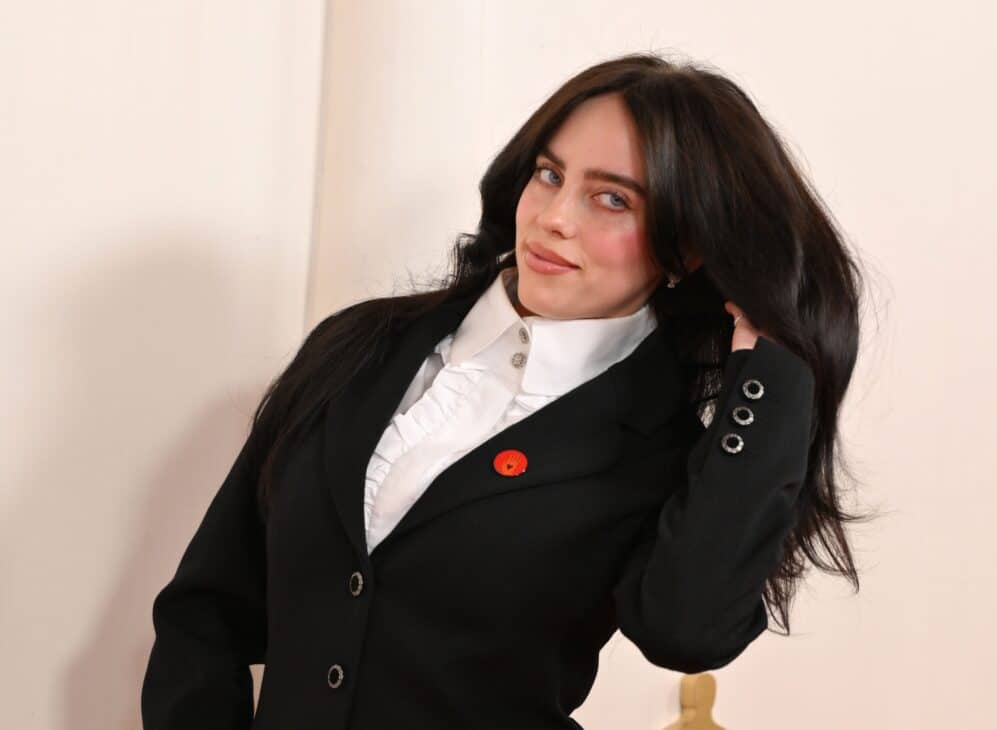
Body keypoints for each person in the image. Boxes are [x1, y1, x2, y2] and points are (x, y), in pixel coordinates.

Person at [141, 51, 868, 729]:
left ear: (684, 246)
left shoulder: (662, 448)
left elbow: (687, 629)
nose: (555, 217)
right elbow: (207, 609)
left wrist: (773, 373)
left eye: (611, 200)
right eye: (550, 176)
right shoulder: (359, 347)